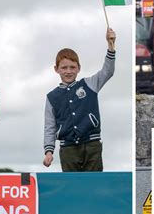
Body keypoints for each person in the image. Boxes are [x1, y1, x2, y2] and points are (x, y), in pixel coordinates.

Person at [43, 28, 116, 172]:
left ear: (79, 68)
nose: (68, 71)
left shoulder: (89, 84)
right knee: (73, 187)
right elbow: (49, 127)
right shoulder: (52, 97)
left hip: (92, 145)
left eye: (72, 67)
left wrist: (111, 46)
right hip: (67, 148)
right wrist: (48, 151)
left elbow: (108, 71)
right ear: (56, 69)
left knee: (94, 185)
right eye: (64, 67)